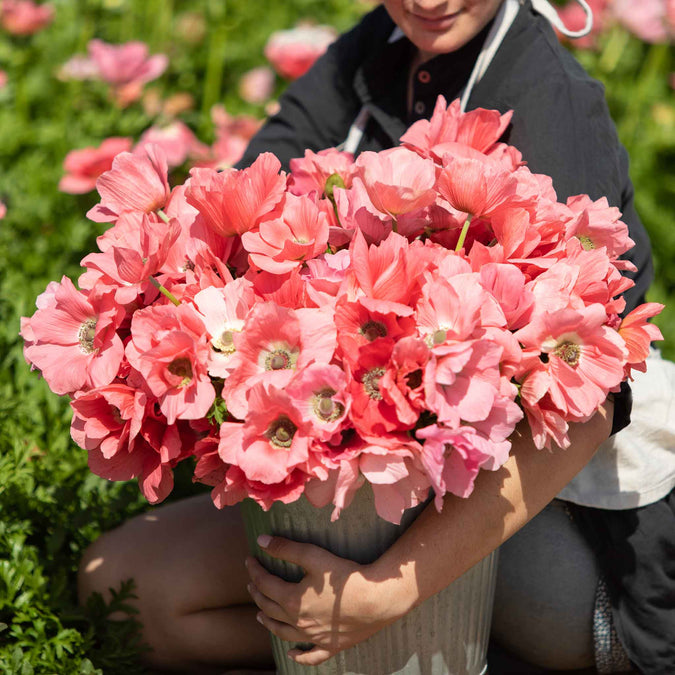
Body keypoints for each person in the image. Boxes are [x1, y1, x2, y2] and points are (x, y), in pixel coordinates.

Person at [78, 1, 675, 672]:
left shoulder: (550, 97)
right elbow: (241, 197)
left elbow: (590, 408)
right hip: (379, 481)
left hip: (566, 535)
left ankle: (429, 641)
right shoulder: (380, 44)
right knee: (126, 587)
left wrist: (387, 589)